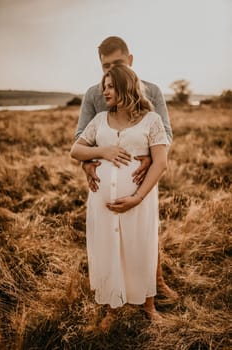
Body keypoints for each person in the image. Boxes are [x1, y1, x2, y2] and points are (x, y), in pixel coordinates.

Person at [75, 36, 178, 301]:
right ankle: (115, 291)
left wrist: (146, 155)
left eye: (117, 63)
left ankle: (154, 282)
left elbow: (164, 133)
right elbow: (81, 137)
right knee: (109, 236)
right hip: (104, 182)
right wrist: (88, 164)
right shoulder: (93, 94)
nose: (110, 71)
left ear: (130, 60)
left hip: (141, 178)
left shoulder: (152, 91)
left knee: (144, 232)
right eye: (105, 67)